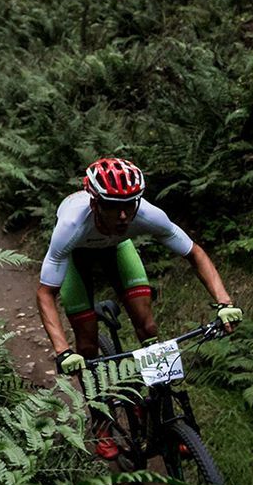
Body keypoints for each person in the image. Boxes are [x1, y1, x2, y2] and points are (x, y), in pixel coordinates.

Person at [37, 158, 242, 455]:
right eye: (112, 205)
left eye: (130, 203)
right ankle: (102, 420)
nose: (123, 215)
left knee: (148, 327)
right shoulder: (71, 225)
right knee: (86, 345)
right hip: (76, 258)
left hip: (117, 248)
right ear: (95, 203)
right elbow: (45, 293)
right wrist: (61, 350)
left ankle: (163, 410)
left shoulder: (145, 214)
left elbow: (195, 253)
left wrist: (224, 303)